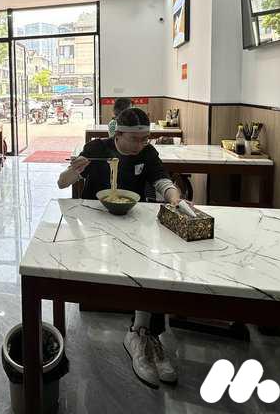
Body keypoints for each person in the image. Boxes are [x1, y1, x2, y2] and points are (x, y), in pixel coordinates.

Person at [57, 107, 181, 388]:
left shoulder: (147, 153)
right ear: (119, 134)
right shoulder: (97, 150)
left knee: (152, 265)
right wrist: (75, 170)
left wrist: (175, 198)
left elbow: (161, 180)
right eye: (135, 139)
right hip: (95, 222)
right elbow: (62, 183)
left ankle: (142, 332)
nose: (141, 144)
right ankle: (137, 332)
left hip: (134, 218)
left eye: (145, 139)